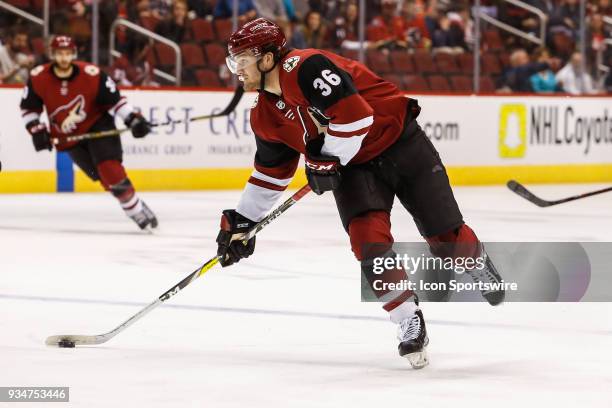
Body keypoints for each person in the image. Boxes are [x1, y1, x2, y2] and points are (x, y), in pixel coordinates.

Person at [216, 18, 505, 369]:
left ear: (266, 59)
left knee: (446, 238)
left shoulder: (307, 67)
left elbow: (356, 116)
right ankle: (407, 318)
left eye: (242, 60)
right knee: (368, 241)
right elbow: (270, 173)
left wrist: (327, 160)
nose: (236, 70)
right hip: (354, 168)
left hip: (401, 144)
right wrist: (244, 220)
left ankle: (474, 262)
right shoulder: (265, 115)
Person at [19, 36, 158, 230]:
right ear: (52, 54)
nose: (64, 58)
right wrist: (37, 130)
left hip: (98, 126)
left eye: (68, 54)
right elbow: (29, 109)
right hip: (69, 138)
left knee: (110, 169)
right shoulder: (38, 77)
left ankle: (135, 212)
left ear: (73, 54)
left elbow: (115, 101)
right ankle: (137, 205)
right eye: (59, 54)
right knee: (103, 178)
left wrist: (132, 118)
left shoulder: (91, 74)